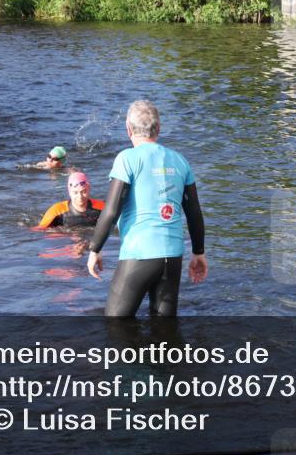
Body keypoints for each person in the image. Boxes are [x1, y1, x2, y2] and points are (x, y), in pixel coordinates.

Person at [87, 100, 207, 317]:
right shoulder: (180, 161)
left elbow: (111, 211)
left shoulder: (127, 159)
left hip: (139, 254)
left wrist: (95, 249)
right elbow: (194, 212)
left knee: (116, 325)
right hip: (173, 257)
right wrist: (199, 252)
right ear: (158, 129)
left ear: (128, 128)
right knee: (165, 332)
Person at [38, 171, 106, 228]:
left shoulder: (102, 207)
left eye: (84, 191)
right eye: (75, 192)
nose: (80, 196)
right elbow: (39, 232)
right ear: (69, 192)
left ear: (89, 189)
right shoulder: (57, 211)